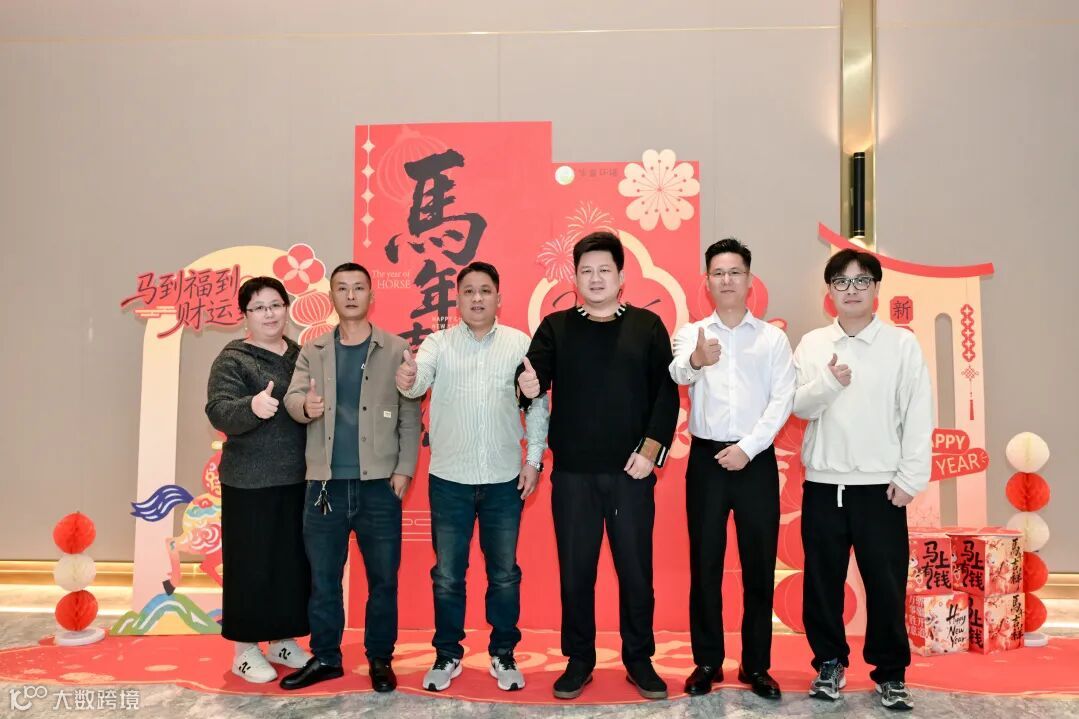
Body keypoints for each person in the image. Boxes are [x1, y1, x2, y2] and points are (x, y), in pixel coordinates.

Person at [517, 231, 679, 700]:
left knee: (636, 571)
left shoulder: (648, 326)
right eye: (586, 271)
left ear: (621, 276)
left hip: (631, 473)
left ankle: (639, 659)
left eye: (604, 270)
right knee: (576, 571)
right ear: (575, 278)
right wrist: (526, 386)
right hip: (573, 475)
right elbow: (531, 376)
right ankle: (579, 659)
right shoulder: (556, 327)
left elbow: (666, 393)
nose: (595, 278)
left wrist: (650, 451)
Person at [396, 261, 550, 693]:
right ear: (458, 299)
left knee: (504, 574)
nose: (477, 298)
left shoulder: (520, 343)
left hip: (504, 479)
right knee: (448, 575)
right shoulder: (437, 344)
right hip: (450, 480)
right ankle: (447, 654)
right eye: (468, 291)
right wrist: (408, 378)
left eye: (485, 290)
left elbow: (537, 403)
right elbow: (416, 384)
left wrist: (533, 460)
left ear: (499, 298)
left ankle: (503, 653)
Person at [793, 248, 932, 712]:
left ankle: (890, 674)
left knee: (885, 584)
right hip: (823, 484)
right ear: (829, 291)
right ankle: (829, 663)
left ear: (876, 288)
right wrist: (829, 383)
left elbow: (918, 414)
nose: (851, 290)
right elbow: (798, 406)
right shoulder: (813, 343)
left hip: (881, 488)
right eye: (841, 282)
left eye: (861, 281)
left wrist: (910, 477)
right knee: (822, 583)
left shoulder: (901, 345)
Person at [280, 262, 422, 693]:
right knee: (324, 580)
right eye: (342, 288)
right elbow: (293, 397)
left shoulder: (396, 349)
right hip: (324, 486)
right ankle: (326, 657)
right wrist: (305, 407)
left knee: (383, 580)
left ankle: (380, 658)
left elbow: (410, 414)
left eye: (359, 287)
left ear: (371, 295)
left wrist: (404, 469)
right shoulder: (313, 350)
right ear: (332, 297)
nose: (351, 295)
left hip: (380, 485)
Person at [669, 238, 794, 699]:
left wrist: (748, 447)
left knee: (758, 565)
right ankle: (707, 662)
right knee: (705, 564)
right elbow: (678, 372)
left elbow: (783, 399)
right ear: (707, 281)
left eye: (735, 272)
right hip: (706, 461)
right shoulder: (693, 333)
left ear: (749, 280)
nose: (727, 280)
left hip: (755, 461)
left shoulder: (772, 339)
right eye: (718, 273)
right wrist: (696, 361)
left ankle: (756, 666)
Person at [205, 276, 312, 684]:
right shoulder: (233, 359)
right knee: (250, 566)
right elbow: (218, 410)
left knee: (290, 564)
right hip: (249, 482)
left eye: (275, 305)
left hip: (296, 477)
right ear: (245, 315)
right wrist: (251, 406)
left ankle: (283, 640)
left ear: (287, 308)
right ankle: (245, 650)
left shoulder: (300, 354)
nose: (269, 314)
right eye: (259, 307)